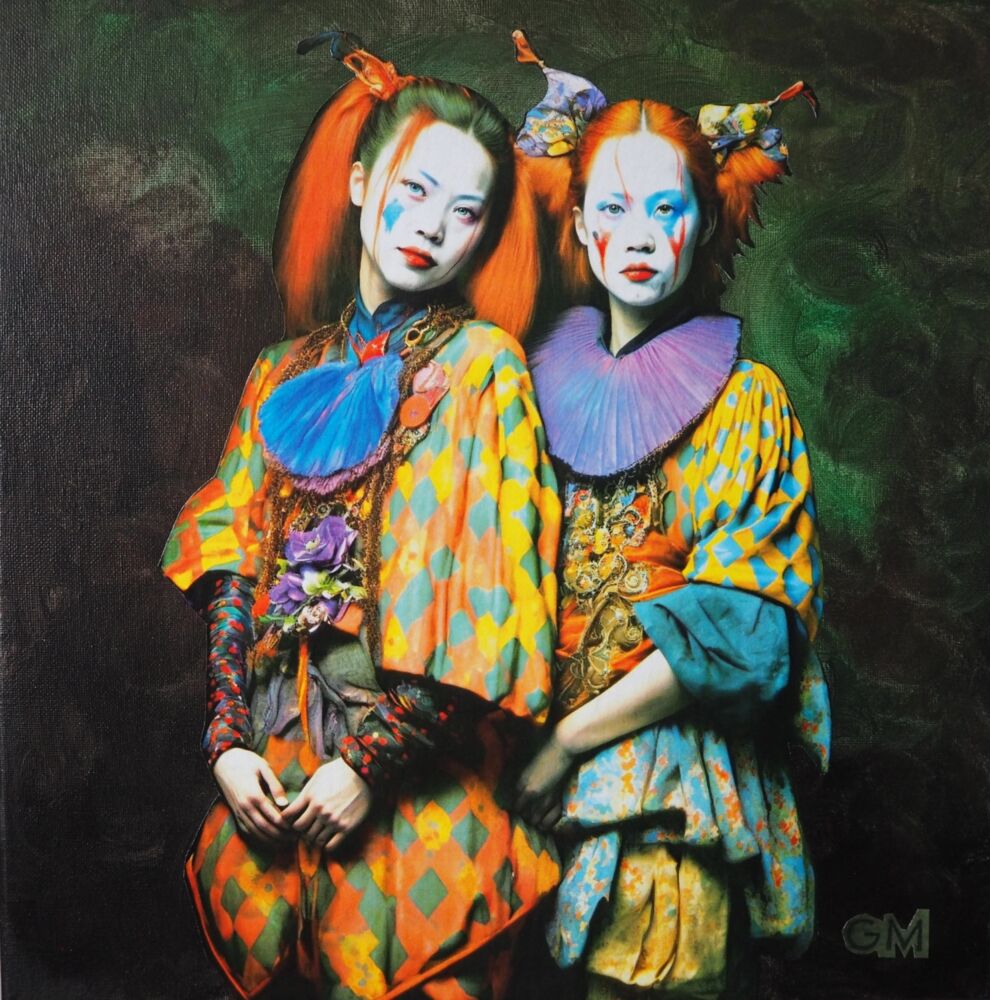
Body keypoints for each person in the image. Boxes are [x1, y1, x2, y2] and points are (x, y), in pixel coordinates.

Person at [160, 32, 561, 1000]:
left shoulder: (483, 367)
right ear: (358, 182)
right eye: (413, 189)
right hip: (274, 770)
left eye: (465, 210)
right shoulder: (280, 370)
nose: (431, 225)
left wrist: (371, 764)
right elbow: (229, 555)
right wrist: (228, 744)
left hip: (419, 789)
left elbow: (494, 597)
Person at [510, 32, 830, 999]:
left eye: (666, 207)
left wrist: (569, 741)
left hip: (668, 787)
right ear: (578, 223)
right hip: (520, 791)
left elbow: (745, 629)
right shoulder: (517, 386)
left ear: (702, 222)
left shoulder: (745, 402)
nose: (640, 235)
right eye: (612, 207)